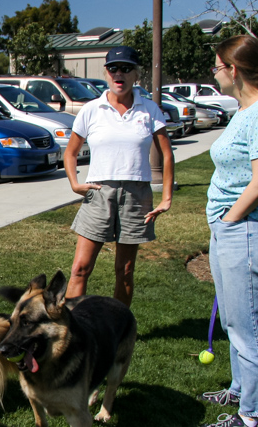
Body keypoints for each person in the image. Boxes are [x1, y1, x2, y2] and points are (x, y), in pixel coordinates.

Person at [197, 35, 258, 427]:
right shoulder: (245, 110)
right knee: (235, 319)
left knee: (250, 324)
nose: (213, 74)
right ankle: (239, 390)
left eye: (217, 66)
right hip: (230, 229)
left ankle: (253, 416)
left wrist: (230, 221)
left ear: (234, 70)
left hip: (246, 230)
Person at [63, 45, 174, 306]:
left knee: (124, 272)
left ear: (136, 74)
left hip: (136, 195)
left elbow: (167, 155)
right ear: (106, 72)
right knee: (80, 267)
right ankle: (69, 329)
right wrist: (74, 183)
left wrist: (166, 197)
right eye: (113, 68)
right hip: (99, 192)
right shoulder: (92, 109)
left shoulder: (150, 110)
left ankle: (119, 331)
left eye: (126, 68)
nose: (118, 74)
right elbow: (70, 153)